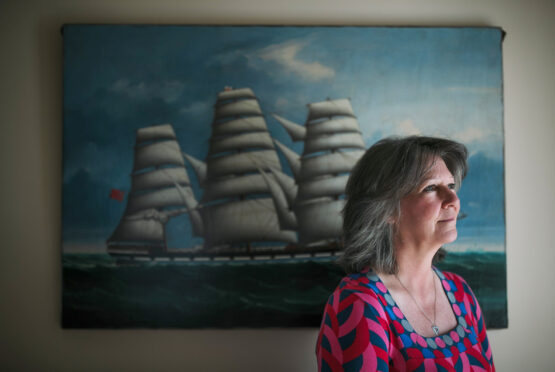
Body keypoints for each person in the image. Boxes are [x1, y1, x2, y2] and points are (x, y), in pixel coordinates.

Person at [316, 136, 495, 371]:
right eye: (431, 188)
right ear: (386, 210)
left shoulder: (461, 292)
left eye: (451, 186)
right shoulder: (359, 302)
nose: (453, 199)